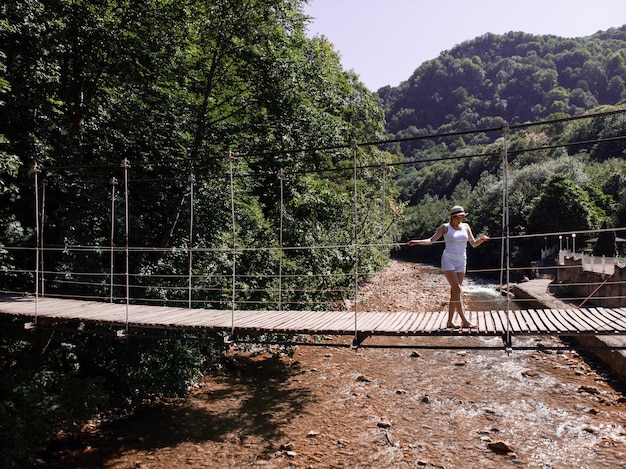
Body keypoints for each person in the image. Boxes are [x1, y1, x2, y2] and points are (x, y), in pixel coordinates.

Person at [406, 205, 490, 329]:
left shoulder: (466, 227)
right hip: (448, 260)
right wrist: (417, 241)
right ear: (453, 217)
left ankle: (450, 322)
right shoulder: (445, 227)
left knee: (454, 292)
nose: (461, 219)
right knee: (458, 290)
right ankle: (464, 321)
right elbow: (431, 240)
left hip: (462, 261)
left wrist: (481, 240)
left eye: (462, 216)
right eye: (459, 217)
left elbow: (473, 244)